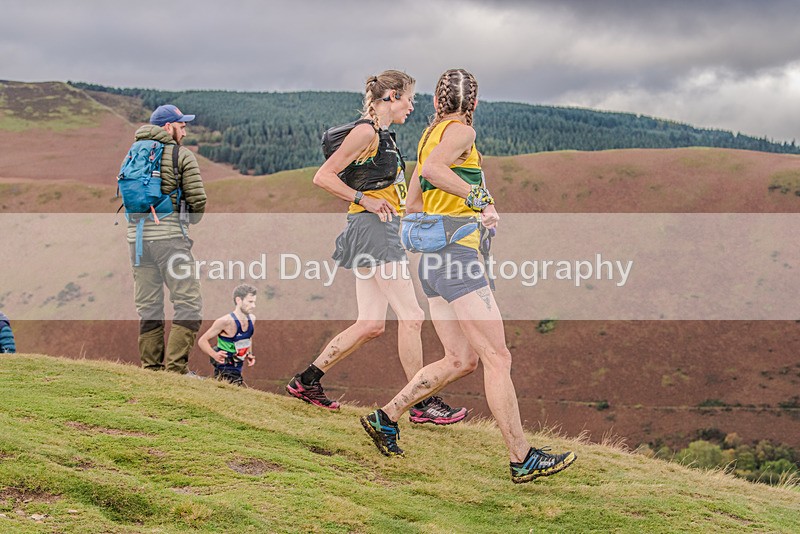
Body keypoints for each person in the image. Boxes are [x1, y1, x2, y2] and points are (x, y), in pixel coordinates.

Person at [360, 69, 576, 483]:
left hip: (434, 260)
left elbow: (415, 200)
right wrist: (479, 202)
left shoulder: (429, 135)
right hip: (456, 257)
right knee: (498, 358)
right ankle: (522, 457)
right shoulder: (460, 133)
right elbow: (438, 173)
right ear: (473, 104)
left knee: (461, 359)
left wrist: (453, 221)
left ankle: (386, 416)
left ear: (439, 101)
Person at [286, 70, 467, 425]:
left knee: (370, 324)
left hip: (376, 230)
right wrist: (363, 199)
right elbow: (322, 176)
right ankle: (420, 404)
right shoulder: (366, 131)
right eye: (409, 99)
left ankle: (306, 382)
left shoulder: (383, 135)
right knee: (412, 316)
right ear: (391, 97)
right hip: (372, 230)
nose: (412, 107)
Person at [128, 105, 207, 374]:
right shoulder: (181, 155)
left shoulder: (133, 153)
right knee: (188, 303)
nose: (184, 131)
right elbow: (198, 200)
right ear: (167, 127)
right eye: (181, 125)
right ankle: (176, 370)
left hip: (137, 242)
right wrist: (189, 220)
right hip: (170, 238)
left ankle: (150, 369)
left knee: (149, 306)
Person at [198, 285, 257, 385]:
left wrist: (249, 354)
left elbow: (248, 338)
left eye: (254, 302)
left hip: (238, 366)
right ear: (238, 300)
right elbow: (202, 341)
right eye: (250, 302)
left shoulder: (252, 319)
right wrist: (214, 355)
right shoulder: (225, 321)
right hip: (225, 367)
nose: (253, 306)